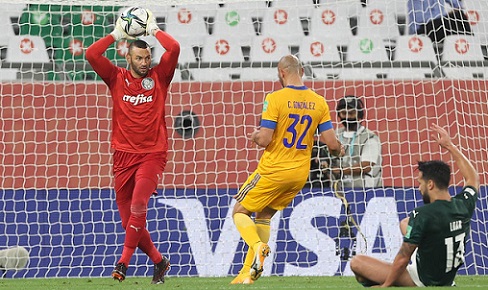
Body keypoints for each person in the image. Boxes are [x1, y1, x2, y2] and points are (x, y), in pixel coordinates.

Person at [231, 55, 345, 284]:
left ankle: (258, 246)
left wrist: (255, 136)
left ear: (281, 73)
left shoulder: (275, 98)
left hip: (274, 169)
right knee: (264, 215)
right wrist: (339, 150)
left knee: (239, 211)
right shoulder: (319, 101)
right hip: (299, 174)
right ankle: (247, 274)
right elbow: (332, 145)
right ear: (301, 71)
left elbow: (264, 139)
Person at [85, 9, 180, 284]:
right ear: (128, 57)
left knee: (140, 203)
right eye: (139, 58)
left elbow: (174, 47)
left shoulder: (160, 76)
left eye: (147, 57)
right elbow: (91, 54)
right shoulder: (115, 78)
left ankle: (122, 263)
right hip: (123, 157)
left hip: (152, 154)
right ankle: (160, 262)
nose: (145, 62)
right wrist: (116, 34)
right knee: (130, 223)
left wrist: (153, 30)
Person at [350, 124, 479, 287]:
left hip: (423, 280)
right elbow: (473, 179)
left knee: (357, 263)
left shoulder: (423, 214)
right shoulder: (463, 204)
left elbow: (404, 256)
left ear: (430, 184)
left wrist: (386, 285)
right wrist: (449, 146)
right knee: (405, 223)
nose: (419, 187)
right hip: (446, 274)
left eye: (420, 183)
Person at [326, 96, 382, 189]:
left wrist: (341, 171)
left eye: (351, 113)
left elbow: (366, 166)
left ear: (359, 114)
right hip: (338, 190)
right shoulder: (335, 134)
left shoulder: (369, 137)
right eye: (344, 113)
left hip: (365, 190)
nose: (347, 117)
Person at [407, 0, 472, 43]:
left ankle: (470, 42)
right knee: (454, 18)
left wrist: (454, 11)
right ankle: (471, 41)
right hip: (422, 30)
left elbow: (458, 5)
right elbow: (420, 19)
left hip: (439, 27)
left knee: (459, 15)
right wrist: (444, 16)